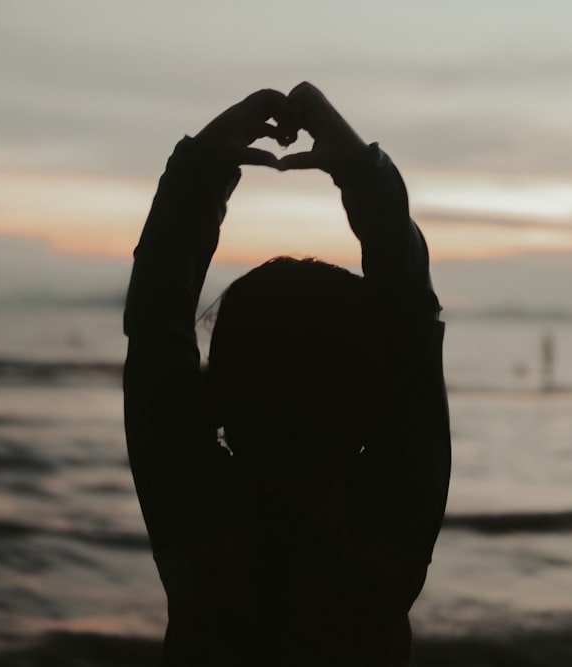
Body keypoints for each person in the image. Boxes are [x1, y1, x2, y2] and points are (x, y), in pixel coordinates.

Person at [123, 82, 451, 666]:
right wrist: (360, 170)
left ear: (213, 395)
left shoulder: (192, 510)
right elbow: (413, 324)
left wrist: (201, 172)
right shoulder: (393, 519)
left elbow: (156, 326)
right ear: (375, 398)